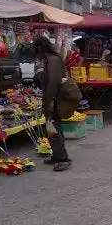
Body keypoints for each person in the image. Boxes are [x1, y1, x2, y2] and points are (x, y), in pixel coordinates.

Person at [33, 36, 74, 171]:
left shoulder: (52, 60)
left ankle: (63, 158)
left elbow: (53, 83)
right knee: (52, 128)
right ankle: (57, 155)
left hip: (54, 100)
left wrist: (48, 102)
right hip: (52, 99)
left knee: (55, 128)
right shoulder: (50, 59)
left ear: (40, 48)